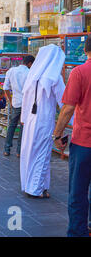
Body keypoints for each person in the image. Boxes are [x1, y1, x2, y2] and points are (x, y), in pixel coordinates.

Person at [53, 37, 91, 237]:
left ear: (85, 50)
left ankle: (78, 232)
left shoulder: (79, 72)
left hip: (84, 142)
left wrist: (57, 134)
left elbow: (68, 108)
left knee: (78, 192)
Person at [20, 44, 65, 199]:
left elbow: (25, 100)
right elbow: (65, 101)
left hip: (31, 120)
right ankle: (36, 188)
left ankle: (33, 185)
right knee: (43, 153)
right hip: (44, 120)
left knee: (30, 152)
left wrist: (24, 119)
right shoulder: (54, 77)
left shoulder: (33, 76)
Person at [3, 55, 35, 157]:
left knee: (11, 125)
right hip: (27, 104)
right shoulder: (30, 73)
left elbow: (6, 88)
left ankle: (7, 149)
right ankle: (19, 151)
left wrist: (10, 100)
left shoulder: (11, 71)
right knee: (23, 127)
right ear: (30, 63)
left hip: (15, 103)